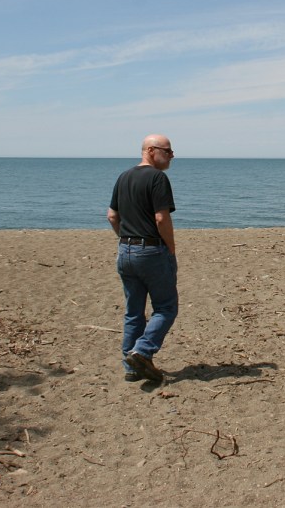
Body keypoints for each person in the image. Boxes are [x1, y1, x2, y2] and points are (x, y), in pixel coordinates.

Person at [107, 134, 178, 384]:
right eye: (167, 151)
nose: (171, 156)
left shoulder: (123, 177)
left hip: (125, 250)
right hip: (151, 250)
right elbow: (161, 218)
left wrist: (126, 240)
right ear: (150, 150)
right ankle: (142, 351)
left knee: (134, 311)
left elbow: (112, 216)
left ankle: (131, 366)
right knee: (167, 307)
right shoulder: (157, 178)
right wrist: (170, 246)